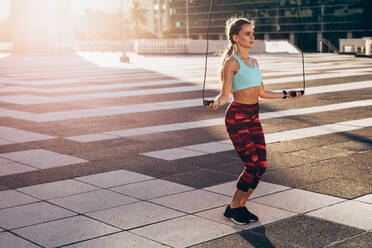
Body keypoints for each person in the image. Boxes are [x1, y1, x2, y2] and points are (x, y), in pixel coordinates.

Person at [208, 17, 303, 224]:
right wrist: (217, 101)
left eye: (253, 33)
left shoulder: (254, 62)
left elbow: (262, 92)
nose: (252, 36)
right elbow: (225, 95)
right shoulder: (231, 63)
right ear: (235, 37)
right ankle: (234, 207)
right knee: (252, 165)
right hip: (237, 118)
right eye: (247, 33)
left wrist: (287, 94)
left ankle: (240, 206)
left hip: (253, 117)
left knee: (261, 165)